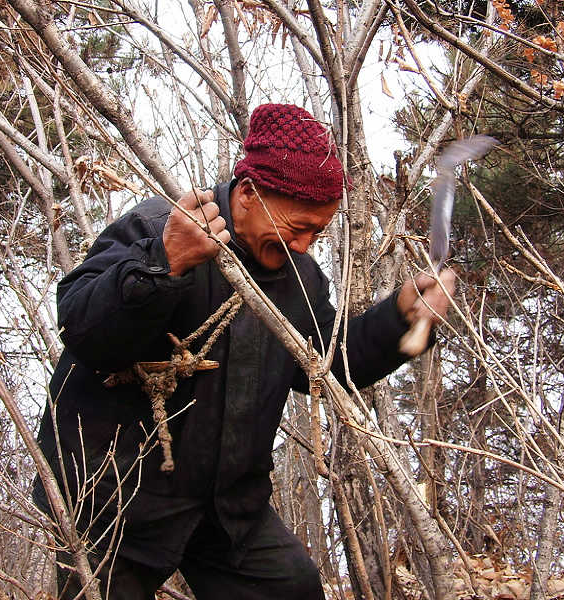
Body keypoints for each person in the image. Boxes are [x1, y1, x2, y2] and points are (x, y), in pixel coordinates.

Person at [33, 103, 455, 599]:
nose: (305, 244)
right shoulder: (156, 227)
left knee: (292, 588)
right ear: (250, 193)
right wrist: (163, 265)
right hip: (114, 500)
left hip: (226, 509)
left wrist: (400, 316)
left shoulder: (299, 279)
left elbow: (324, 362)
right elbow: (82, 328)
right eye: (298, 227)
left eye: (318, 232)